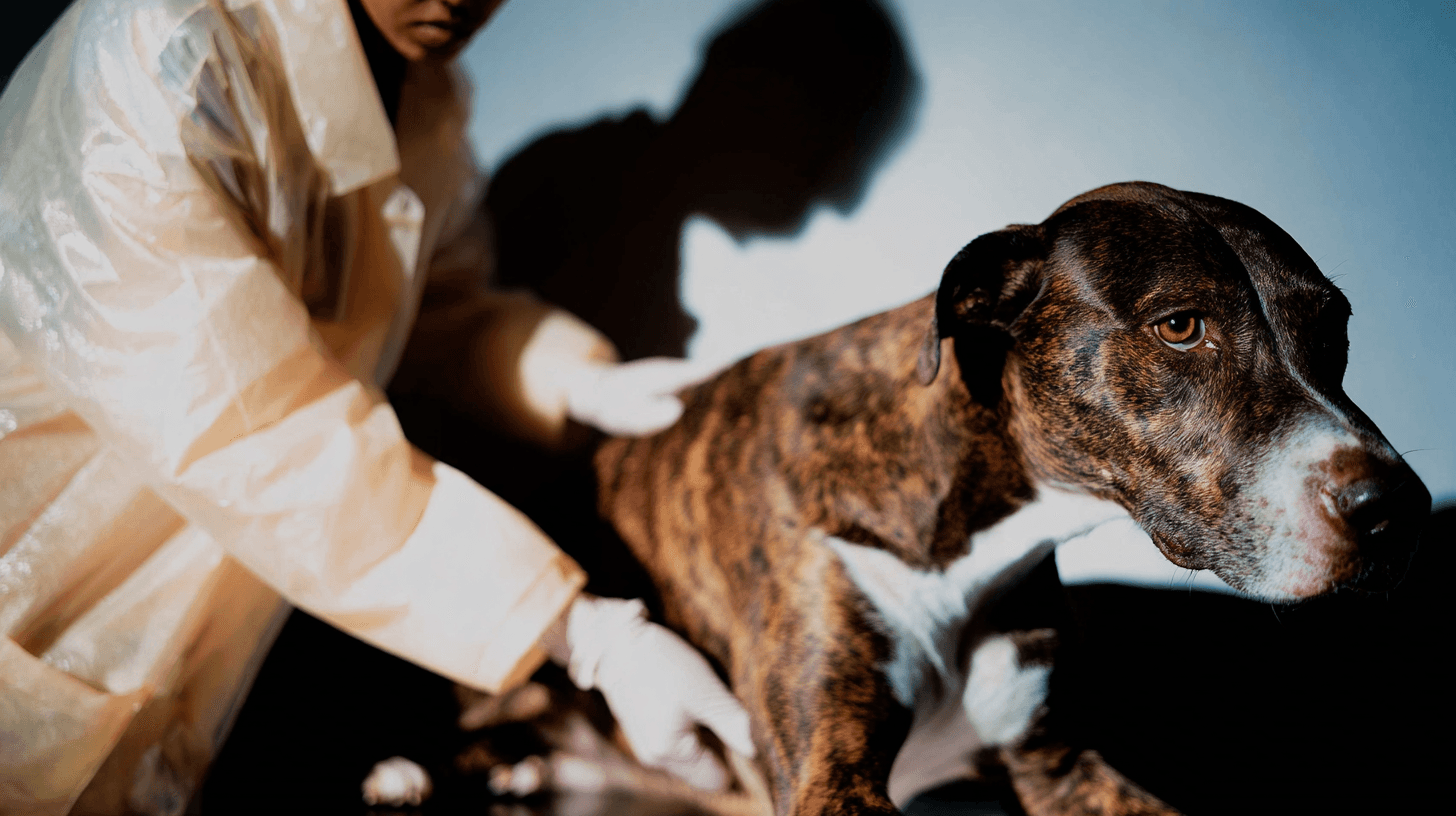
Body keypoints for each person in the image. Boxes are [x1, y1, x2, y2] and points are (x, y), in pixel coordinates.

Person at [0, 1, 751, 812]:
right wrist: (583, 634)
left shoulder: (425, 97)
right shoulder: (171, 50)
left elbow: (420, 308)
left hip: (201, 634)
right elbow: (255, 433)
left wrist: (577, 379)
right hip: (41, 592)